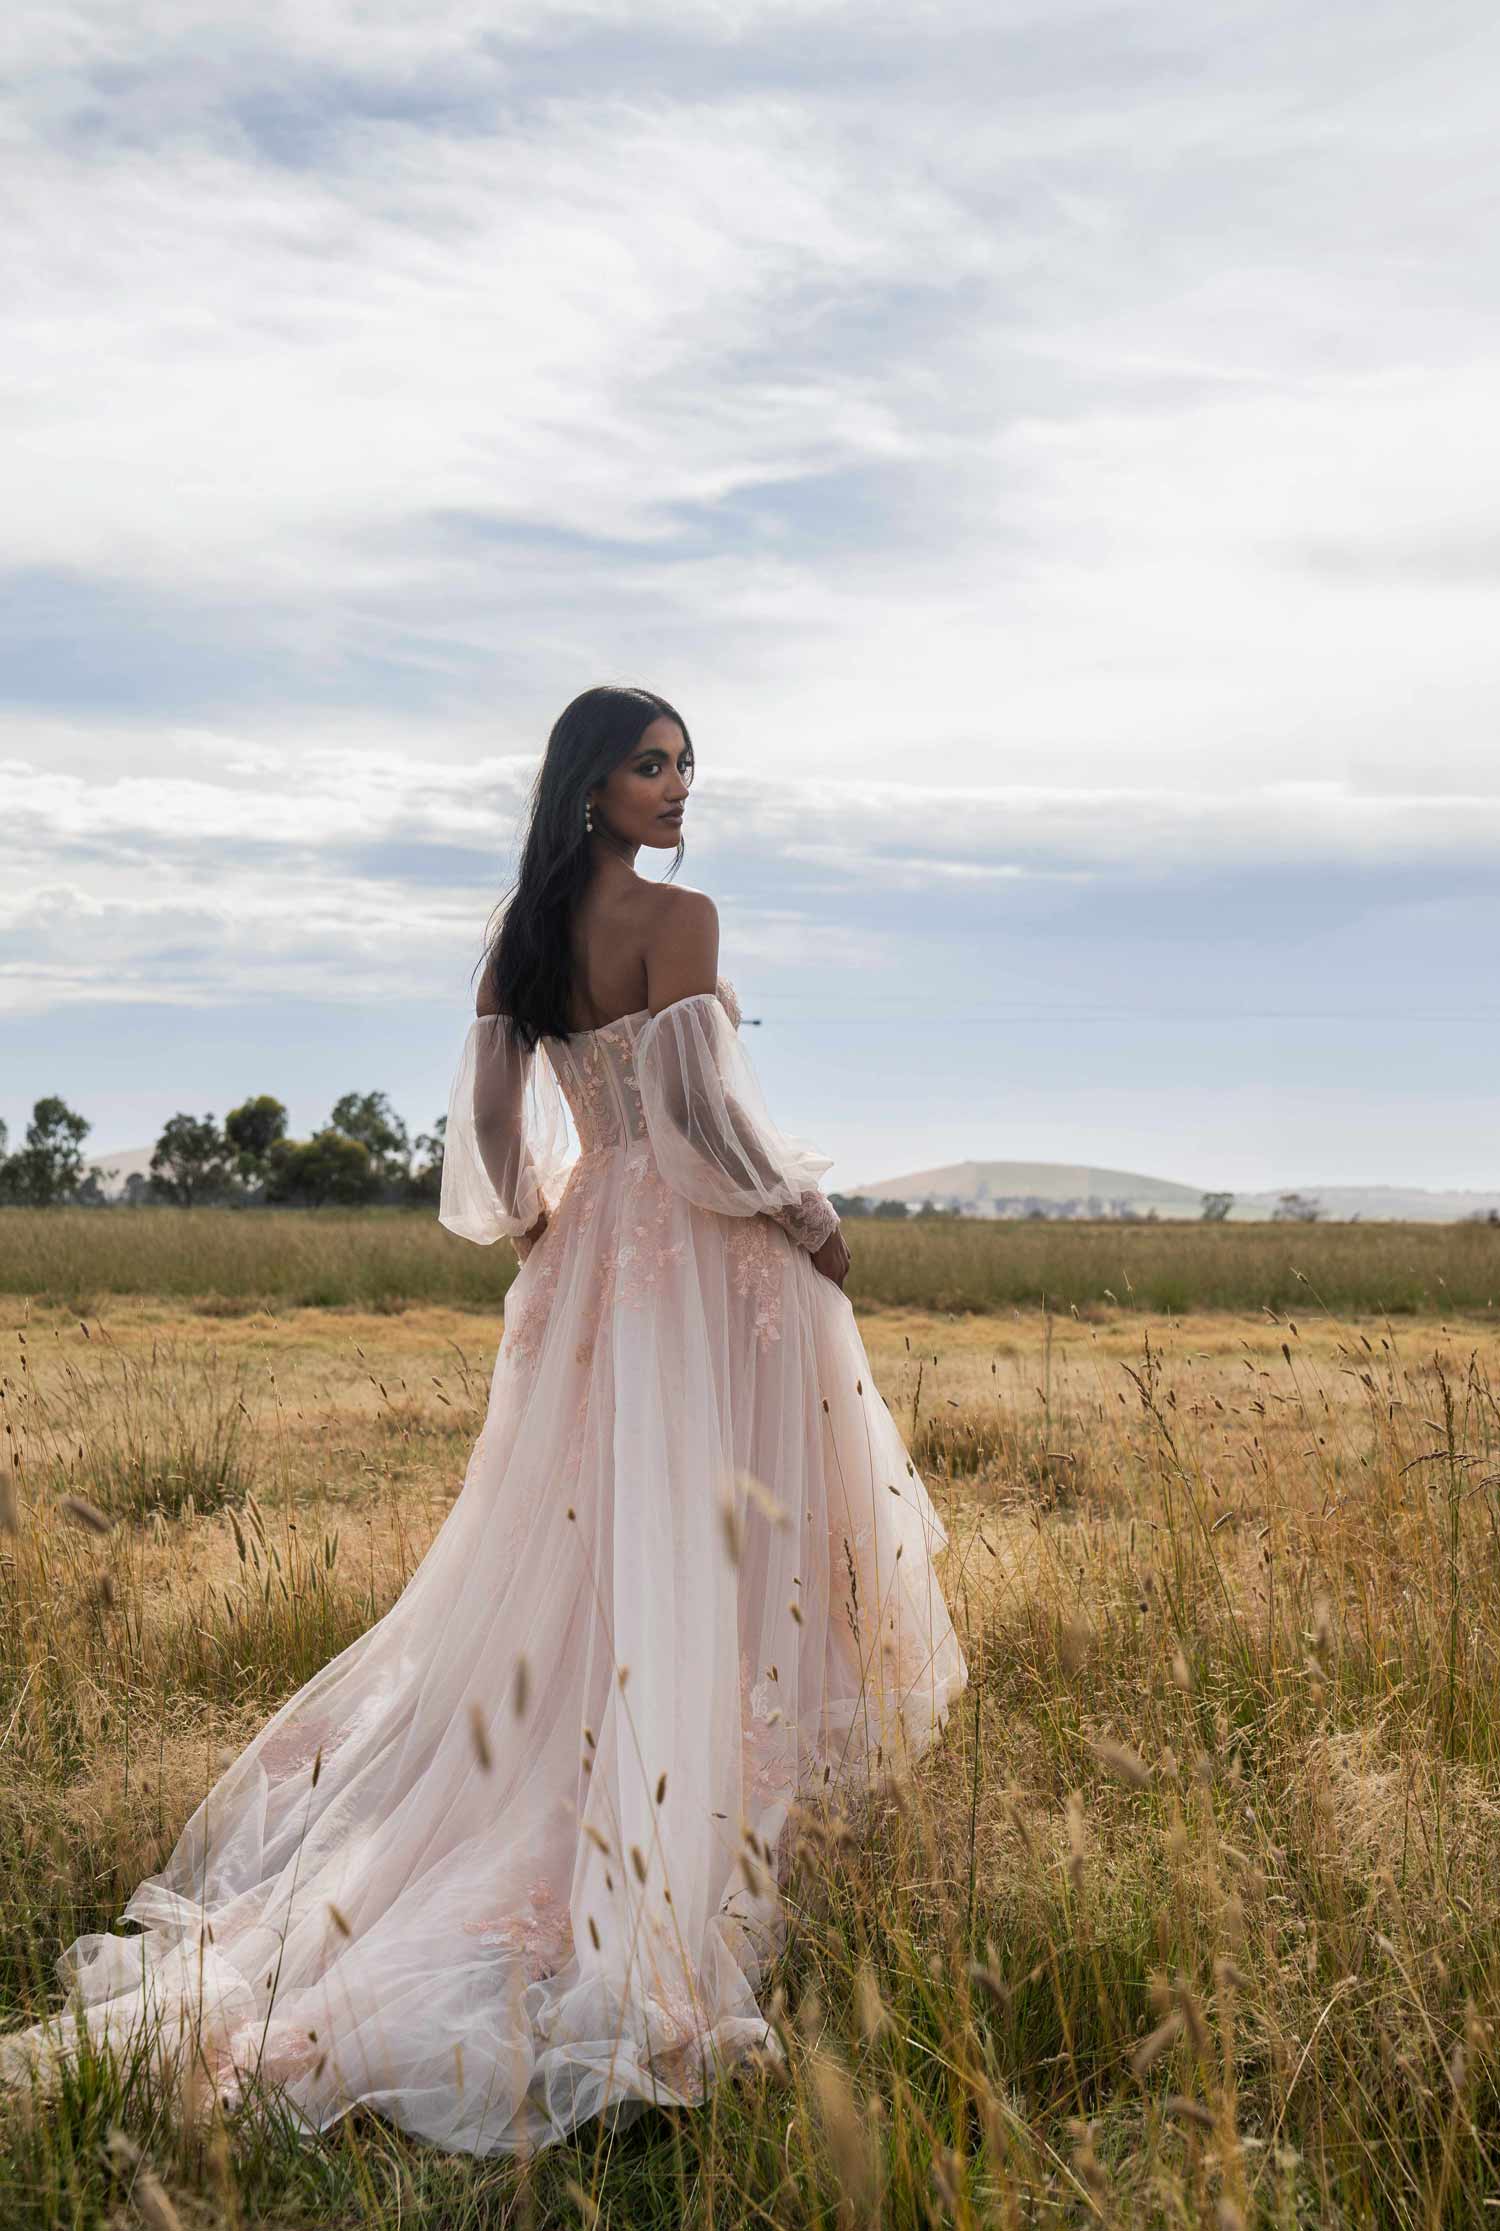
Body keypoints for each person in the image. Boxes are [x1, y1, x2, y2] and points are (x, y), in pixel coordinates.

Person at [0, 685, 968, 2157]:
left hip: (596, 1256)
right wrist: (809, 1217)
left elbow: (502, 1137)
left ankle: (592, 1801)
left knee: (587, 1541)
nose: (679, 788)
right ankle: (656, 1853)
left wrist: (545, 1234)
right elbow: (706, 1120)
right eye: (653, 767)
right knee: (715, 1539)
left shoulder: (519, 942)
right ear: (593, 784)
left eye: (687, 767)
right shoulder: (680, 920)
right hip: (701, 1260)